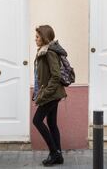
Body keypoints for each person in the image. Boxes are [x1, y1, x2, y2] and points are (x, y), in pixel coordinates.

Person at [33, 25, 68, 167]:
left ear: (44, 37)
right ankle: (58, 155)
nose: (35, 39)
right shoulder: (43, 51)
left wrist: (44, 94)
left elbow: (56, 76)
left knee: (37, 121)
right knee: (52, 123)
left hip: (51, 94)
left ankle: (54, 153)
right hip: (52, 93)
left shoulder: (49, 52)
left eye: (37, 37)